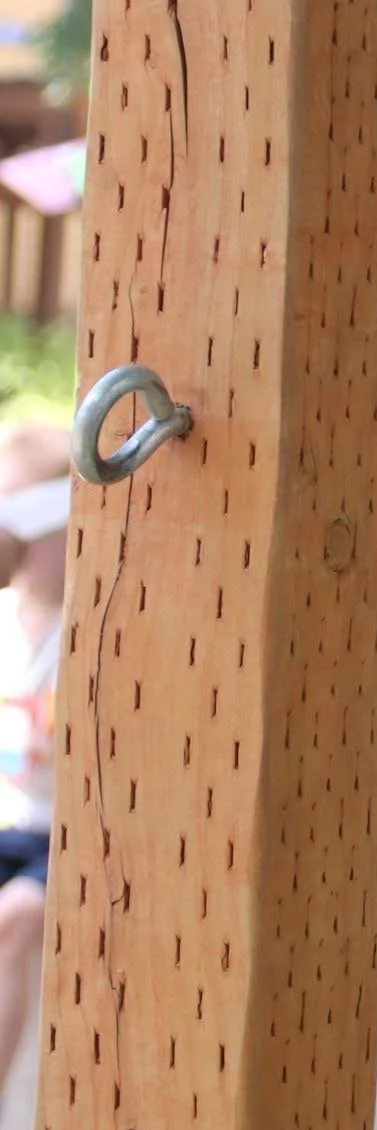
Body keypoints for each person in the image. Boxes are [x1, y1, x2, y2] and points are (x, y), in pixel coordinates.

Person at [0, 424, 69, 1098]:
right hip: (11, 819)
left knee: (15, 922)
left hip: (62, 834)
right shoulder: (6, 623)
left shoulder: (84, 626)